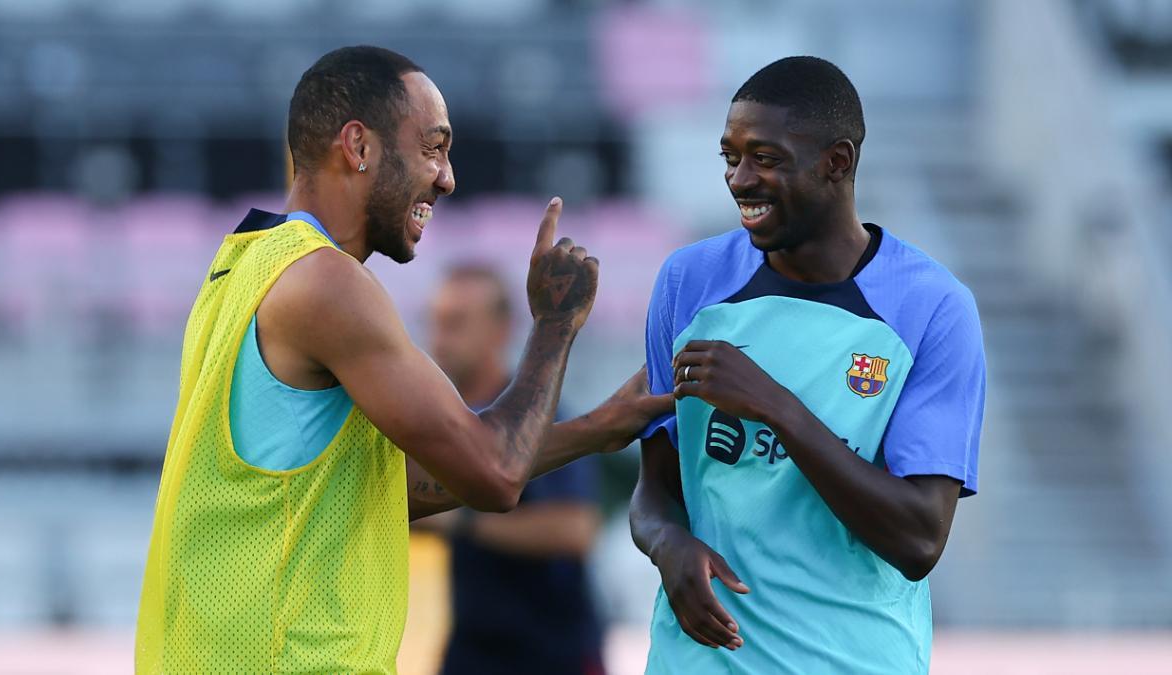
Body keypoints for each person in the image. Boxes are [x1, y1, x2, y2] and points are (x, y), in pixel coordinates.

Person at [134, 45, 670, 674]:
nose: (447, 177)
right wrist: (555, 325)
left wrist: (594, 430)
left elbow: (401, 486)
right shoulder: (325, 284)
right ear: (359, 147)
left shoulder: (241, 266)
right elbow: (494, 473)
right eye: (433, 148)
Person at [629, 56, 986, 674]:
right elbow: (656, 482)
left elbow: (919, 539)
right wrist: (668, 544)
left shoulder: (932, 307)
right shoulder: (687, 283)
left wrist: (773, 403)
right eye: (730, 157)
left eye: (765, 158)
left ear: (837, 163)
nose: (740, 180)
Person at [424, 265, 604, 675]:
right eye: (435, 323)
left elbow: (575, 529)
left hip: (552, 651)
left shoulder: (541, 415)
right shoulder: (443, 421)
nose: (439, 339)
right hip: (472, 648)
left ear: (500, 330)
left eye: (456, 323)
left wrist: (459, 522)